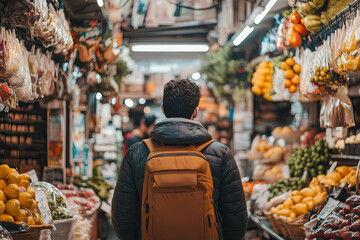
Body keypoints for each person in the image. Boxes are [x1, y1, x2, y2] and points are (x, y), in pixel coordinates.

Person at [112, 79, 248, 240]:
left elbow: (122, 217)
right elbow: (237, 218)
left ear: (163, 109)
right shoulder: (220, 154)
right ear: (196, 111)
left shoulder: (137, 153)